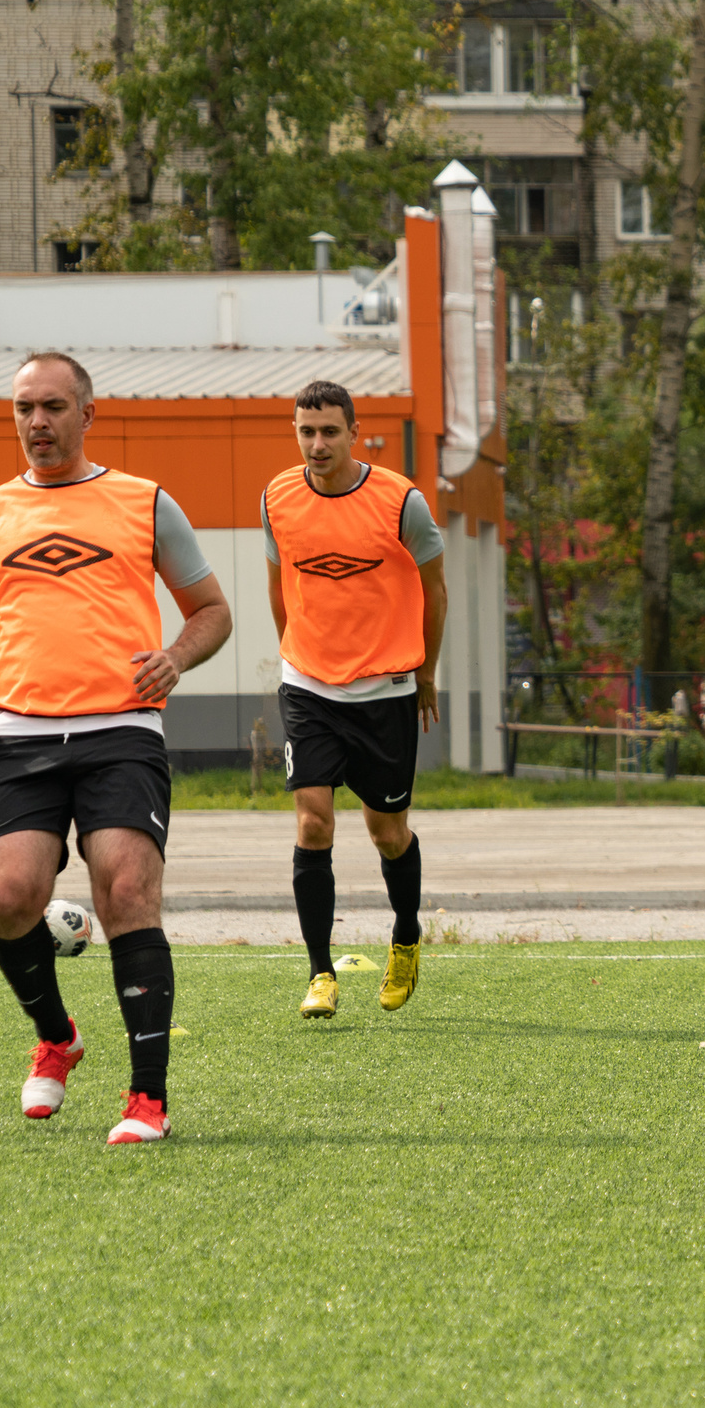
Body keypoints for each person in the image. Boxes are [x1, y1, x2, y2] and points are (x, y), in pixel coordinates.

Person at [0, 351, 232, 1146]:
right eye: (24, 409)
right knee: (8, 898)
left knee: (127, 890)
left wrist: (177, 655)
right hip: (19, 735)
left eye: (53, 407)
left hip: (121, 730)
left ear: (87, 414)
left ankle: (147, 1099)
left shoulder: (145, 503)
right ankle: (58, 1037)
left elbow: (212, 610)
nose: (38, 422)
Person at [263, 380, 449, 1020]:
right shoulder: (277, 497)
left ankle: (405, 937)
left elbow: (436, 590)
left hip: (386, 690)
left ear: (353, 432)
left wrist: (426, 674)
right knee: (314, 820)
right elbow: (278, 587)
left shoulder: (401, 501)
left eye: (329, 432)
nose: (317, 444)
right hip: (309, 685)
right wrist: (295, 658)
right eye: (306, 432)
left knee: (387, 833)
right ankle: (320, 972)